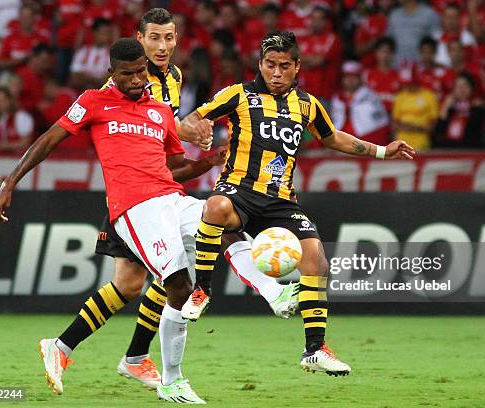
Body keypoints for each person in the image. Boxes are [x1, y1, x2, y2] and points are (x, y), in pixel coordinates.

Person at [43, 7, 298, 394]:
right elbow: (132, 129)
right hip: (132, 196)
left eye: (169, 37)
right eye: (155, 38)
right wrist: (188, 130)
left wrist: (201, 154)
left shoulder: (172, 82)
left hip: (164, 188)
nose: (163, 46)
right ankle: (130, 361)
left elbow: (164, 139)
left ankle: (121, 356)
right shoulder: (118, 87)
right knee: (162, 279)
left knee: (134, 283)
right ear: (140, 41)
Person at [179, 31, 415, 375]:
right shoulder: (238, 95)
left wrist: (380, 151)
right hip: (238, 189)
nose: (276, 73)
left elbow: (332, 137)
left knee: (316, 259)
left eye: (284, 66)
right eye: (270, 65)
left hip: (280, 201)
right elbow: (190, 120)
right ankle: (201, 289)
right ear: (260, 64)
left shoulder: (307, 104)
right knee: (213, 208)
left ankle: (315, 349)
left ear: (297, 67)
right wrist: (194, 131)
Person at [0, 38, 210, 404]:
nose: (139, 79)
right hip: (129, 208)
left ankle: (77, 349)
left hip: (159, 201)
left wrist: (209, 162)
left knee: (127, 286)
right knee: (164, 280)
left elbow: (175, 170)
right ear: (112, 73)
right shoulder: (94, 101)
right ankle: (133, 358)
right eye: (128, 74)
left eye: (142, 71)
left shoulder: (160, 108)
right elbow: (49, 141)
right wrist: (9, 182)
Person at [434, 73, 485, 148]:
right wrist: (445, 108)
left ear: (471, 88)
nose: (461, 89)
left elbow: (474, 128)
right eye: (458, 86)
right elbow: (438, 132)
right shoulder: (449, 108)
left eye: (465, 85)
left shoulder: (478, 107)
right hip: (449, 150)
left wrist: (472, 108)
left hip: (471, 150)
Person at [392, 64, 439, 151]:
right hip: (401, 146)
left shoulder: (429, 97)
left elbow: (434, 127)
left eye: (409, 83)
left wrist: (415, 128)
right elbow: (394, 124)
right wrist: (406, 127)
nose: (406, 86)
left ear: (416, 81)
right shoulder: (400, 96)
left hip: (421, 145)